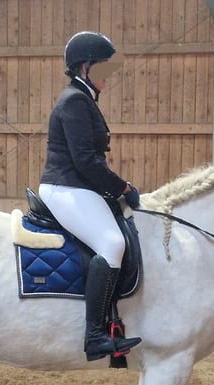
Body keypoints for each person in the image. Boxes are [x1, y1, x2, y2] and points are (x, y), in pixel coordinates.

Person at [38, 31, 142, 362]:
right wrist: (122, 187)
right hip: (65, 186)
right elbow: (85, 161)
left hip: (78, 185)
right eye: (103, 69)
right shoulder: (74, 102)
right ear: (85, 68)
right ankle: (95, 335)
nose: (108, 77)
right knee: (112, 243)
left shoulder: (84, 100)